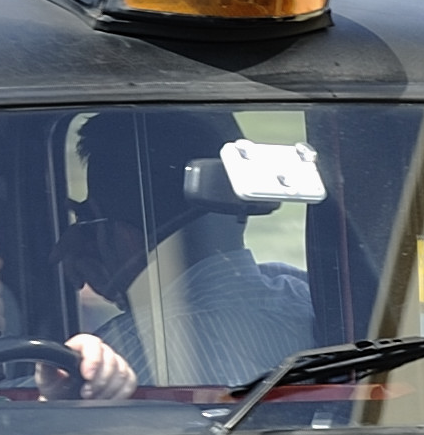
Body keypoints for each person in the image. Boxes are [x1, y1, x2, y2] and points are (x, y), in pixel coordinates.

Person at [55, 108, 312, 397]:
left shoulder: (120, 352)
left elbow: (6, 416)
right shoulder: (310, 299)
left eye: (86, 220)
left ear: (124, 235)